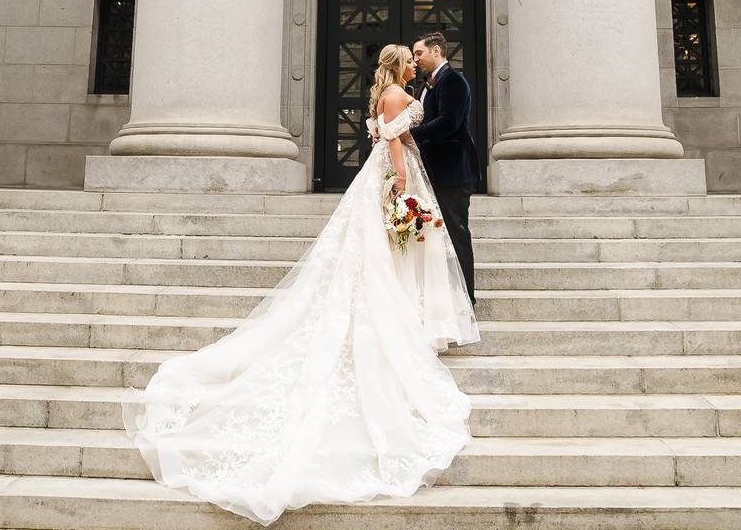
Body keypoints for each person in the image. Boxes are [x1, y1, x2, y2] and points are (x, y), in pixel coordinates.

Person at [123, 44, 480, 527]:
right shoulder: (397, 95)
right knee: (381, 255)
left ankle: (399, 309)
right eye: (411, 59)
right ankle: (393, 314)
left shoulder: (394, 92)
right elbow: (395, 143)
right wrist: (402, 183)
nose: (416, 63)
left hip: (391, 173)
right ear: (399, 65)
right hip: (396, 175)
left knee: (379, 255)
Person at [411, 32, 480, 306]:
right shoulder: (427, 84)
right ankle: (446, 297)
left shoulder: (454, 81)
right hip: (435, 172)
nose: (415, 60)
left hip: (453, 173)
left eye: (419, 53)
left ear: (436, 50)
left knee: (457, 234)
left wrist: (410, 135)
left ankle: (467, 300)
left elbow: (449, 123)